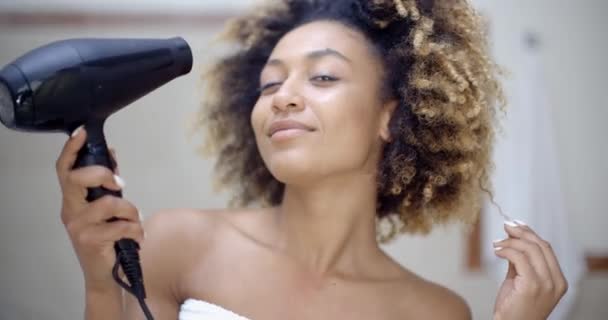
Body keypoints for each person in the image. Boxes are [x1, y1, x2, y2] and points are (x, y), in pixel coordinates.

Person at [55, 0, 568, 319]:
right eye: (270, 83)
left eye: (322, 77)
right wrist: (101, 285)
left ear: (393, 115)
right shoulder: (177, 243)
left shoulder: (435, 312)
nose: (283, 97)